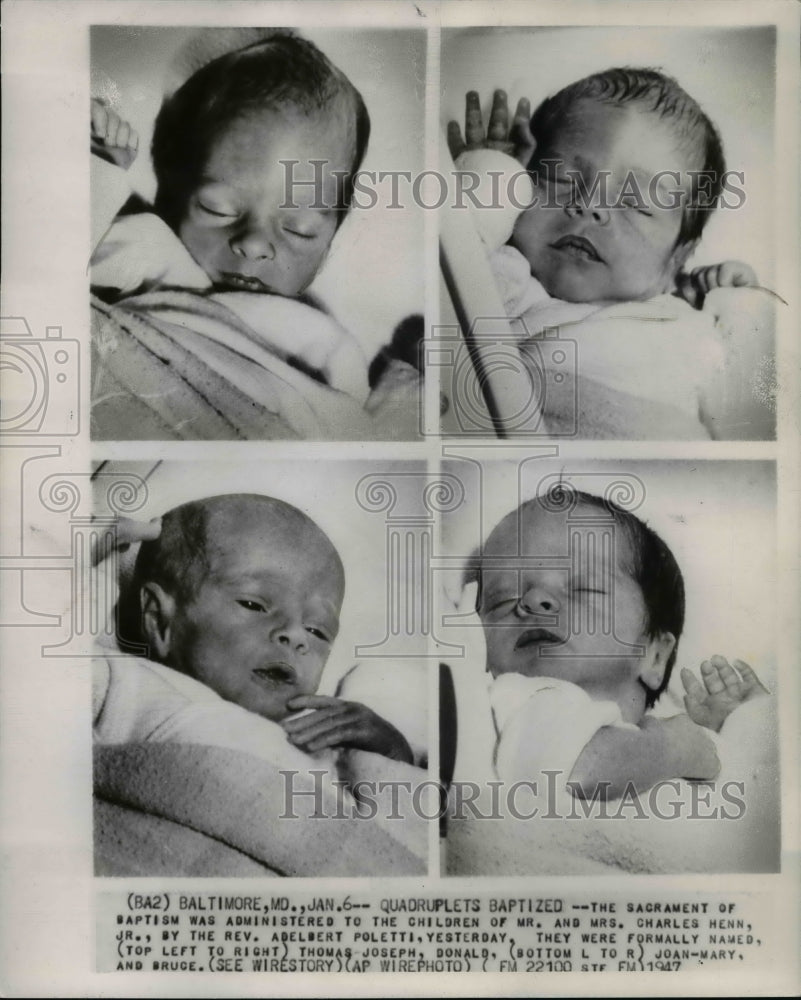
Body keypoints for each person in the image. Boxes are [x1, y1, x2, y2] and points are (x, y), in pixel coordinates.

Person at [446, 72, 773, 438]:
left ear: (678, 256)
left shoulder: (691, 324)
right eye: (564, 178)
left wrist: (742, 303)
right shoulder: (508, 281)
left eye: (636, 203)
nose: (590, 206)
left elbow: (759, 404)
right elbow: (461, 247)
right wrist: (490, 175)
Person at [91, 31, 371, 402]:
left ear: (332, 236)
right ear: (178, 189)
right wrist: (100, 169)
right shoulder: (151, 250)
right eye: (217, 209)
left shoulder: (325, 341)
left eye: (299, 230)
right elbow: (61, 251)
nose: (254, 244)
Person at [467, 488, 768, 802]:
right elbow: (578, 770)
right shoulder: (527, 696)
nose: (533, 599)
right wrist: (678, 746)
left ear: (654, 655)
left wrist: (724, 729)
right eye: (502, 599)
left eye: (585, 588)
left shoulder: (648, 746)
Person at [94, 494, 414, 765]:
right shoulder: (120, 682)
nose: (296, 636)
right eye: (254, 605)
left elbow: (396, 825)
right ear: (158, 619)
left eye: (317, 631)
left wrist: (391, 752)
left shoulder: (319, 745)